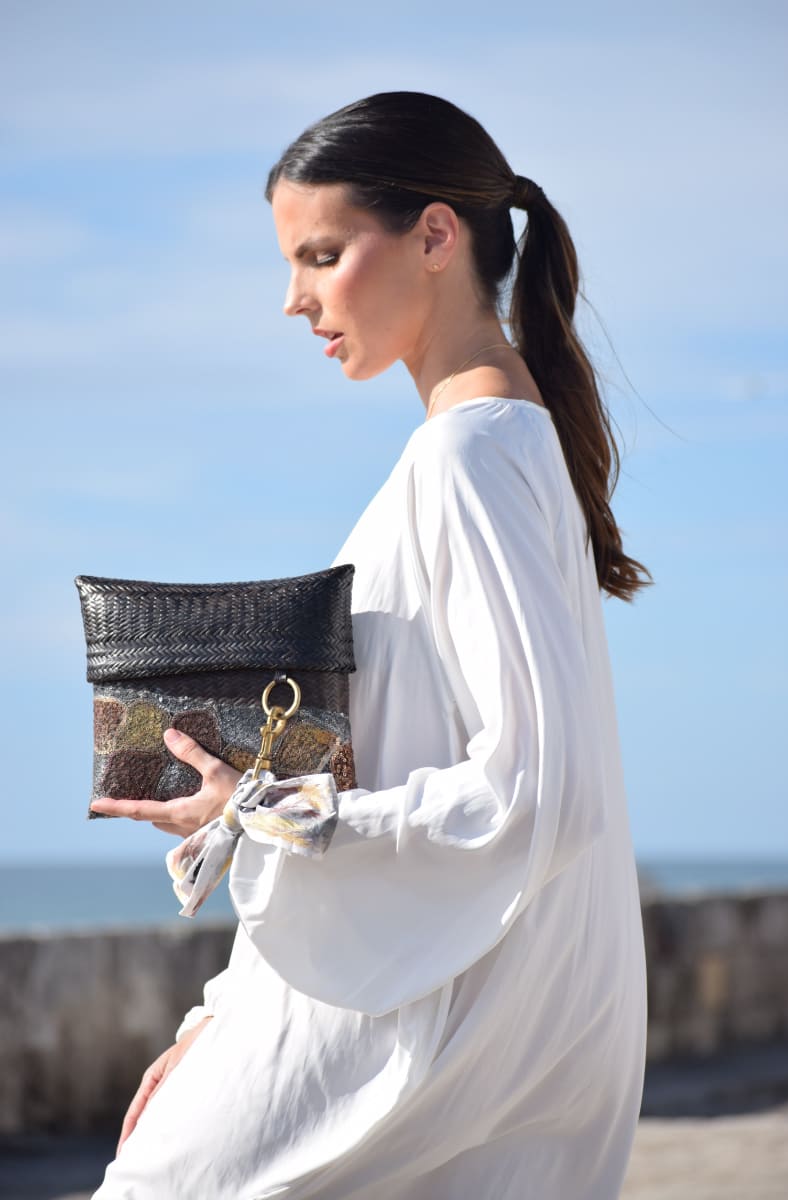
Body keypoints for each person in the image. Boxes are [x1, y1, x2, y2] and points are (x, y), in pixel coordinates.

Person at [91, 91, 650, 1199]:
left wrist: (255, 809)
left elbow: (535, 785)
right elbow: (402, 752)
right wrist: (225, 1012)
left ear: (436, 236)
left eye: (322, 254)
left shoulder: (469, 460)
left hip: (426, 1011)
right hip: (445, 989)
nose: (294, 299)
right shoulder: (491, 447)